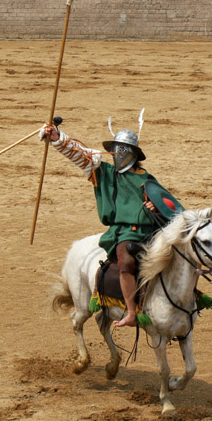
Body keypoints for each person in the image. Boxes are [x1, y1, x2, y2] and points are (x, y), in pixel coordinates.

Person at [40, 116, 162, 328]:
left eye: (124, 149)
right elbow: (79, 155)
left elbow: (165, 204)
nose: (119, 153)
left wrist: (156, 207)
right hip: (125, 233)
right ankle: (132, 313)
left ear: (133, 153)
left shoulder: (147, 178)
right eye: (117, 148)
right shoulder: (104, 173)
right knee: (127, 262)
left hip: (152, 230)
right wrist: (57, 137)